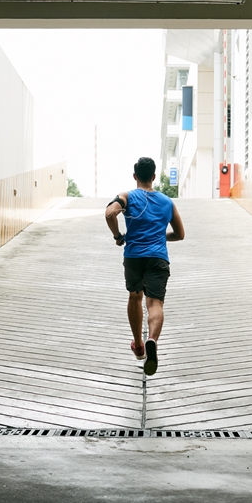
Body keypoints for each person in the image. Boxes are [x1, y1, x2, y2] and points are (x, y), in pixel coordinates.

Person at [105, 157, 185, 376]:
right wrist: (160, 236)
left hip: (133, 257)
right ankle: (152, 340)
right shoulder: (167, 202)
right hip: (158, 257)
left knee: (135, 297)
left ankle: (139, 346)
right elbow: (180, 234)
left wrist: (118, 235)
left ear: (134, 176)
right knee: (155, 302)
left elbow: (110, 213)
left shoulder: (127, 197)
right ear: (154, 176)